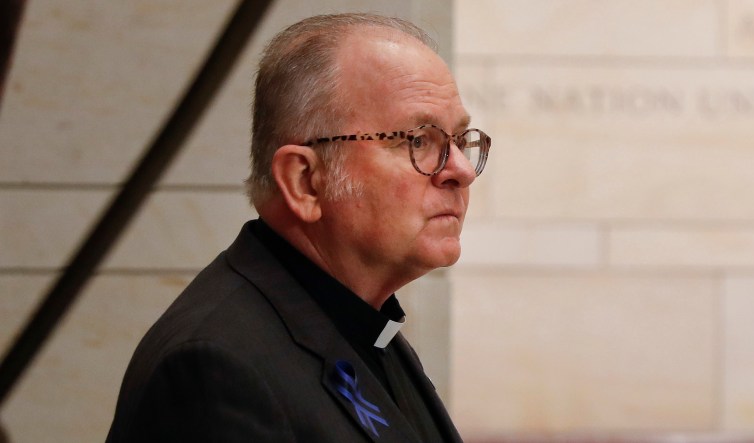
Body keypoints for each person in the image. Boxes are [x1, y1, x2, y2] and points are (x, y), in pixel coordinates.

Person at [106, 12, 490, 443]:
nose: (460, 170)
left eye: (458, 140)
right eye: (418, 140)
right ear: (305, 181)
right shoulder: (218, 369)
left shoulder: (364, 323)